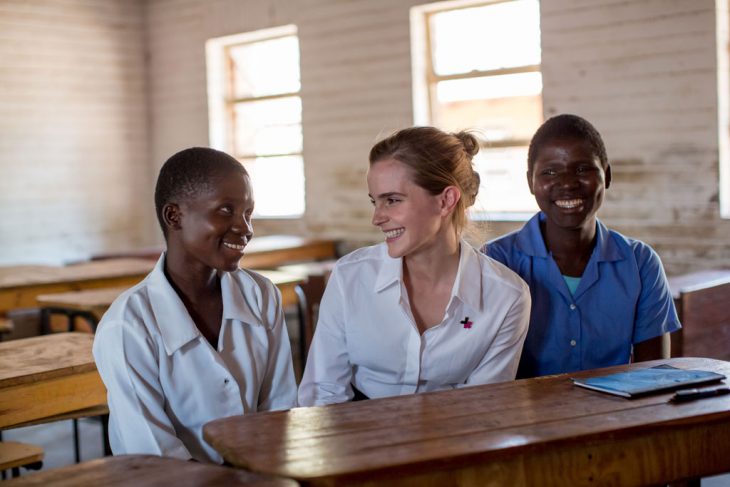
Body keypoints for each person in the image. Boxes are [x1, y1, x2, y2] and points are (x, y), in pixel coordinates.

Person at [298, 126, 531, 406]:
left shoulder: (507, 296)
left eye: (392, 200)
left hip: (456, 438)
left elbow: (483, 405)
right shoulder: (351, 276)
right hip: (354, 436)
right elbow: (323, 394)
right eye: (375, 201)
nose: (377, 218)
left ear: (446, 200)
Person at [93, 147, 297, 463]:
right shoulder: (128, 325)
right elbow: (153, 454)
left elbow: (280, 408)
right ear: (175, 216)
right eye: (226, 210)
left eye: (247, 213)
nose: (245, 228)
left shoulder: (260, 294)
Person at [482, 114, 681, 378]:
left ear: (606, 175)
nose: (567, 183)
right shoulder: (496, 260)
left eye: (582, 169)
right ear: (531, 181)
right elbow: (489, 372)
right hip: (526, 416)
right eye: (549, 172)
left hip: (616, 415)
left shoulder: (641, 262)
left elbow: (653, 375)